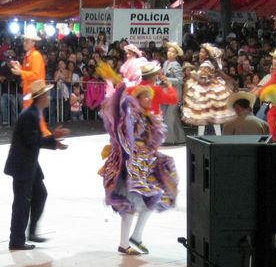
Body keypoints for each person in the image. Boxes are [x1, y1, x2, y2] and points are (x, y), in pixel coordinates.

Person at [99, 82, 178, 255]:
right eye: (145, 96)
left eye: (150, 96)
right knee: (130, 203)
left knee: (154, 196)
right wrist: (120, 94)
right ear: (137, 99)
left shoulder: (148, 118)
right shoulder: (130, 116)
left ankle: (136, 236)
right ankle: (124, 244)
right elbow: (118, 118)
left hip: (145, 164)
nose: (149, 99)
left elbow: (151, 141)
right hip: (129, 166)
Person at [4, 80, 69, 250]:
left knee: (40, 194)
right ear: (41, 97)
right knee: (21, 203)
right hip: (22, 165)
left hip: (29, 164)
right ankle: (16, 240)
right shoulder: (30, 115)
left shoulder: (34, 113)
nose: (49, 98)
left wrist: (54, 141)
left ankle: (30, 232)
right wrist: (53, 140)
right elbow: (32, 141)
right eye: (47, 95)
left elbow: (34, 140)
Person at [182, 44, 234, 135]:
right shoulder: (208, 64)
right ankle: (216, 136)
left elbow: (203, 80)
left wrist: (194, 75)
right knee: (211, 115)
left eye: (202, 52)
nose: (200, 53)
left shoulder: (205, 65)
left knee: (203, 115)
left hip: (207, 92)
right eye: (200, 52)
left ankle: (202, 136)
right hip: (210, 91)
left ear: (207, 55)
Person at [10, 26, 48, 133]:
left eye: (27, 41)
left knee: (34, 117)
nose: (24, 43)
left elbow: (36, 74)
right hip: (29, 92)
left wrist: (20, 72)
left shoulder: (35, 56)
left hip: (34, 92)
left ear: (33, 42)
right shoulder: (28, 56)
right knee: (34, 118)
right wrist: (20, 68)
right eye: (24, 41)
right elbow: (29, 72)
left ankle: (44, 136)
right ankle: (42, 136)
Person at [161, 42, 187, 144]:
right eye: (169, 51)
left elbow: (180, 80)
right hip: (167, 91)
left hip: (175, 92)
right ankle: (180, 138)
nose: (169, 53)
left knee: (170, 115)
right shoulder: (165, 63)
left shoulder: (176, 65)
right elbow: (164, 77)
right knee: (172, 116)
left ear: (176, 54)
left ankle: (169, 139)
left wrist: (166, 79)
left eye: (172, 52)